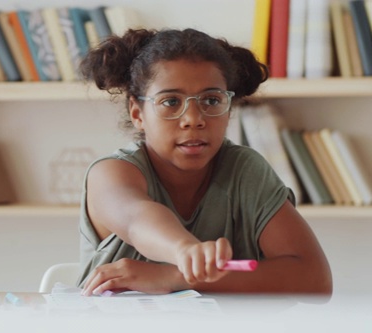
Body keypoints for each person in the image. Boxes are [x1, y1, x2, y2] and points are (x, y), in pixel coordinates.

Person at [77, 28, 332, 296]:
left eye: (211, 100)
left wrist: (178, 277)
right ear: (138, 113)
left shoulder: (245, 171)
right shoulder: (111, 173)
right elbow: (136, 220)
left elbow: (315, 280)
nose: (194, 119)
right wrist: (185, 251)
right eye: (171, 102)